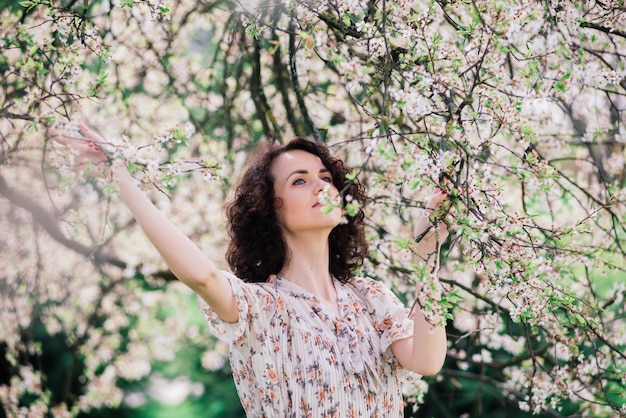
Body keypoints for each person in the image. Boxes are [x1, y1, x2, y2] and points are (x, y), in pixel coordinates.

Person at [50, 121, 449, 417]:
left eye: (326, 178)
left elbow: (427, 361)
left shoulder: (370, 297)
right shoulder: (261, 308)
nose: (321, 187)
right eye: (300, 181)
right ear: (270, 208)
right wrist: (121, 176)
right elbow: (201, 276)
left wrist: (428, 258)